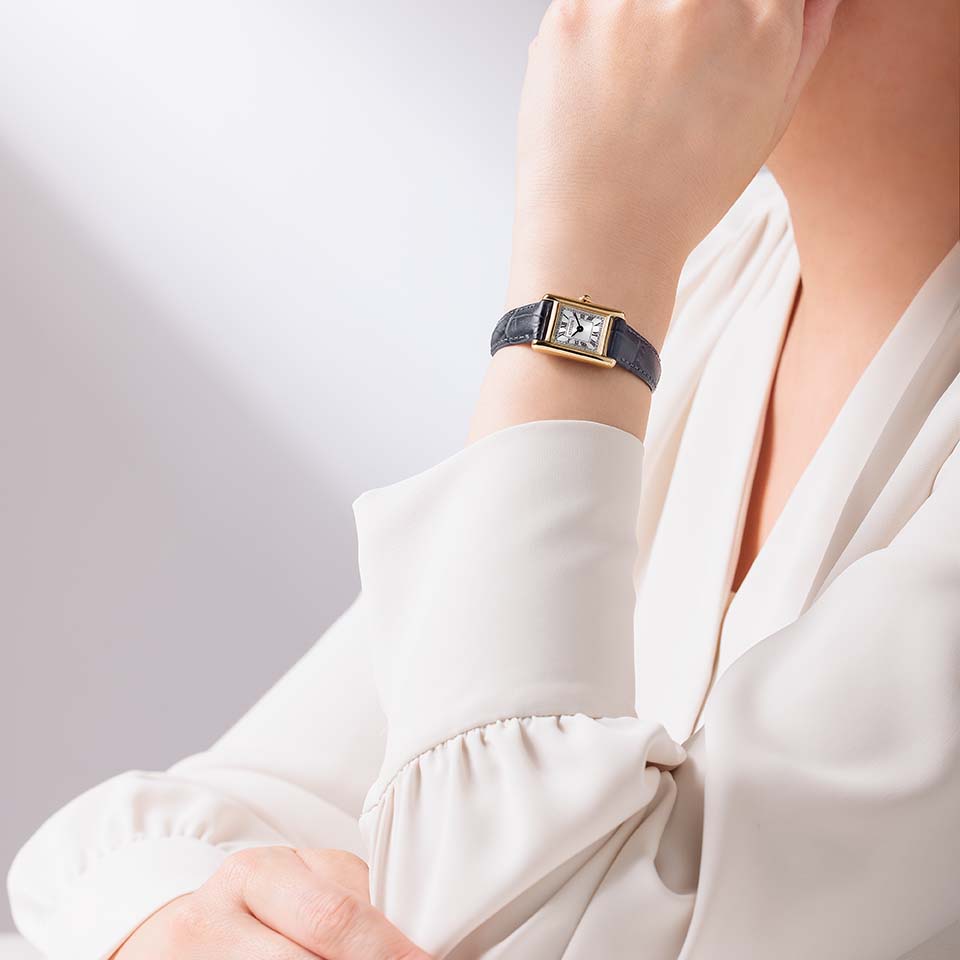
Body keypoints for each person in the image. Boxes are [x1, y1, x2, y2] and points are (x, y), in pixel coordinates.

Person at [8, 0, 959, 957]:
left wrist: (586, 273)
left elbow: (508, 933)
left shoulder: (636, 264)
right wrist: (168, 922)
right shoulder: (728, 274)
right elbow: (118, 850)